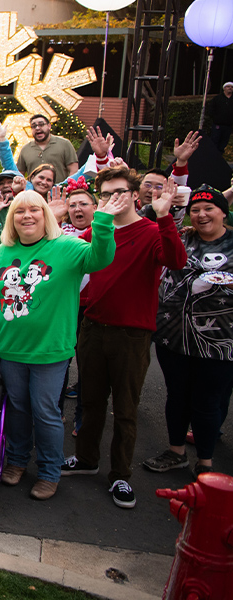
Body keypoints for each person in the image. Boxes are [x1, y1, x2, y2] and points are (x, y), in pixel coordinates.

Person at [0, 190, 122, 500]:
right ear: (12, 219)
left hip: (50, 351)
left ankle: (50, 471)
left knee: (45, 411)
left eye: (34, 210)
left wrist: (104, 221)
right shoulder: (3, 252)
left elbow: (101, 258)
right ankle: (16, 460)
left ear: (46, 216)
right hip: (11, 349)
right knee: (17, 408)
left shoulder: (66, 247)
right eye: (19, 211)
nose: (27, 216)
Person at [57, 167, 186, 508]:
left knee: (126, 408)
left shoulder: (150, 230)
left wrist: (164, 217)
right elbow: (62, 257)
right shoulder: (97, 233)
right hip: (93, 327)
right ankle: (86, 459)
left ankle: (120, 475)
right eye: (106, 194)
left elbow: (175, 260)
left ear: (132, 195)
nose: (112, 199)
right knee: (90, 401)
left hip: (132, 334)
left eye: (119, 192)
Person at [143, 185, 233, 478]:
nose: (202, 215)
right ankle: (176, 452)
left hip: (217, 341)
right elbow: (158, 222)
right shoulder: (182, 237)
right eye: (196, 210)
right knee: (177, 396)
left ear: (223, 211)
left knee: (206, 401)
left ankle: (206, 462)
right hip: (174, 336)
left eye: (209, 209)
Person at [16, 114, 78, 183]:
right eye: (34, 126)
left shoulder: (64, 144)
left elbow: (74, 170)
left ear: (49, 126)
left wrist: (66, 187)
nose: (37, 128)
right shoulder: (26, 149)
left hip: (59, 191)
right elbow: (19, 174)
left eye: (41, 124)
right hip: (34, 192)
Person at [206, 82, 233, 153]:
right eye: (228, 87)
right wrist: (215, 118)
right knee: (215, 140)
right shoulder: (217, 99)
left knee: (224, 142)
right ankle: (212, 156)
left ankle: (219, 157)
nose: (230, 88)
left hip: (228, 125)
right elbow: (211, 110)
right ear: (224, 88)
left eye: (231, 87)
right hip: (218, 124)